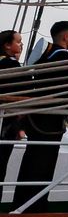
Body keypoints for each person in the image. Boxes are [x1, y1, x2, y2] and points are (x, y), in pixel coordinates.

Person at [13, 20, 68, 213]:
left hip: (36, 118)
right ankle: (35, 206)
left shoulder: (44, 60)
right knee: (44, 162)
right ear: (65, 36)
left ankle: (21, 202)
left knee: (32, 159)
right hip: (51, 120)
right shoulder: (67, 58)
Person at [0, 29, 24, 205]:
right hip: (5, 124)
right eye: (18, 41)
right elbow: (22, 96)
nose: (21, 45)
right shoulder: (12, 66)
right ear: (7, 45)